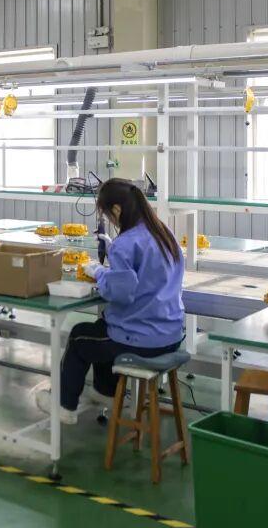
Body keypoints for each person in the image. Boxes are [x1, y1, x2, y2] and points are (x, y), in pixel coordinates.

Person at [36, 178, 185, 424]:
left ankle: (63, 405)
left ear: (117, 209)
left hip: (143, 340)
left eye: (107, 214)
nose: (110, 221)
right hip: (172, 334)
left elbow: (119, 293)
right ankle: (105, 391)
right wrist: (109, 274)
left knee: (80, 336)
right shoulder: (164, 234)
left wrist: (99, 273)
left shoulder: (125, 243)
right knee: (103, 326)